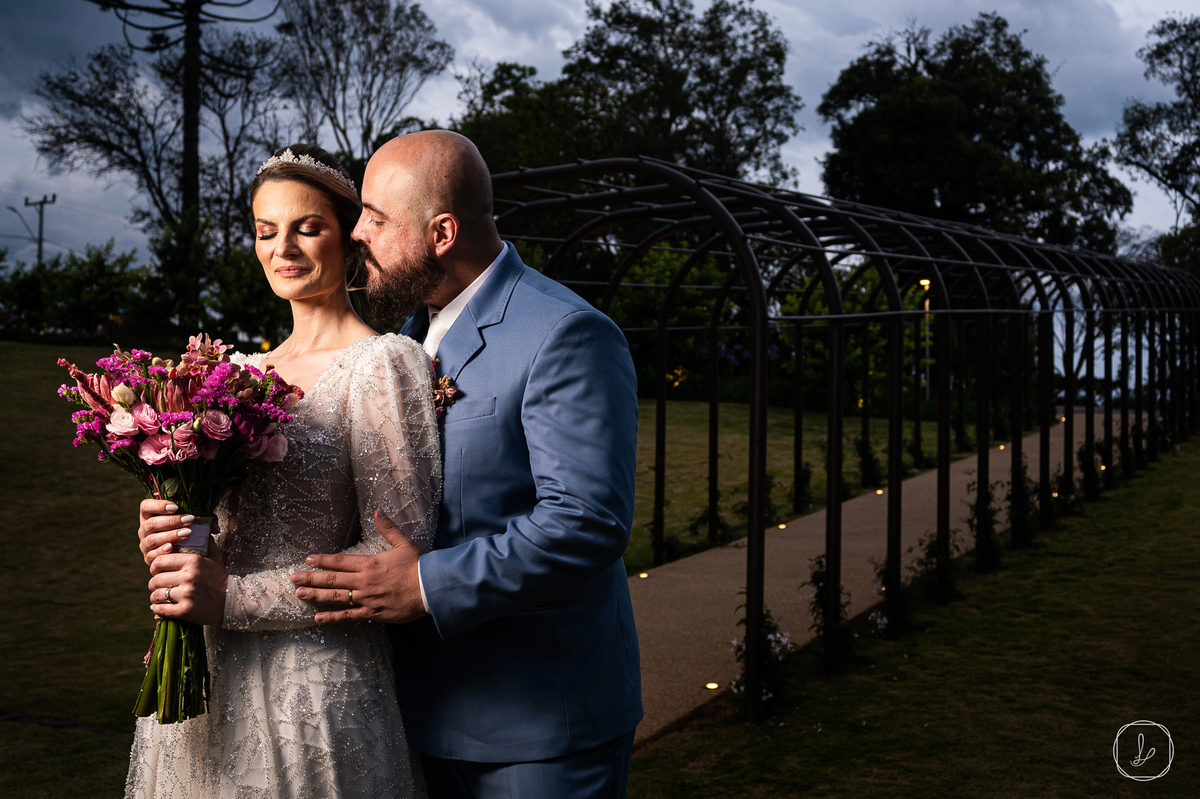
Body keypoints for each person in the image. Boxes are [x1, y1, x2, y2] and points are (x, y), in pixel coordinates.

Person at [288, 130, 643, 798]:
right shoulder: (405, 340)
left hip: (538, 727)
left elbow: (586, 520)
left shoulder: (565, 333)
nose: (356, 233)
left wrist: (426, 585)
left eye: (376, 219)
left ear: (442, 233)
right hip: (418, 712)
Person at [130, 144, 440, 799]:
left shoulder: (382, 364)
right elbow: (217, 531)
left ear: (349, 238)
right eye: (266, 230)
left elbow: (396, 551)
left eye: (308, 227)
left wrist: (232, 598)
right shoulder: (234, 374)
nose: (284, 248)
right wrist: (174, 535)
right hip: (209, 677)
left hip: (313, 685)